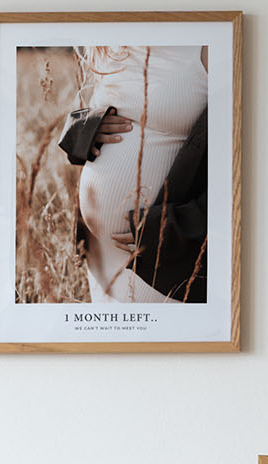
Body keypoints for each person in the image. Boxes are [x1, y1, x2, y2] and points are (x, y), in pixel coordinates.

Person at [52, 45, 209, 304]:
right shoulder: (111, 44)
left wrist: (174, 231)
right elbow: (91, 112)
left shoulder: (210, 43)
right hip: (100, 255)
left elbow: (240, 160)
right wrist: (85, 128)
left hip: (165, 258)